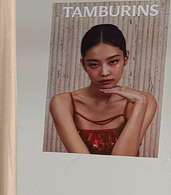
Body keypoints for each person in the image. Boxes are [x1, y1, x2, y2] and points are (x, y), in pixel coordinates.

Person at [49, 23, 157, 156]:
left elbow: (123, 160)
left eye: (113, 62)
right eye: (94, 64)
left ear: (126, 57)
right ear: (83, 64)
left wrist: (140, 102)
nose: (104, 72)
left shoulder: (144, 100)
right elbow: (83, 163)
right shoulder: (63, 102)